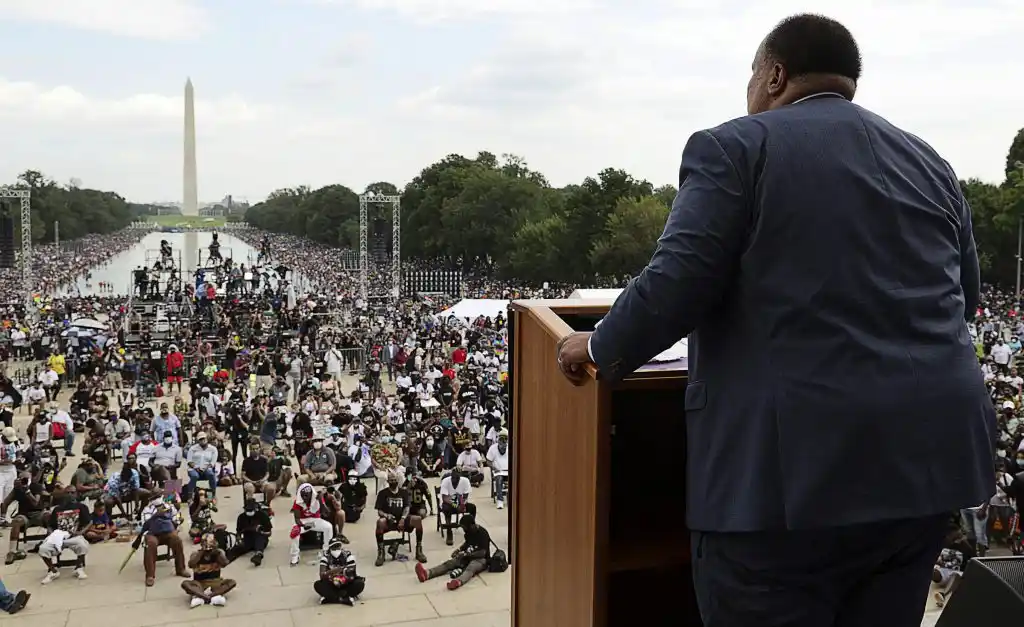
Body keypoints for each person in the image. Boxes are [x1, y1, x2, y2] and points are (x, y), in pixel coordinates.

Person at [555, 13, 995, 627]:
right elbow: (965, 297)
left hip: (785, 487)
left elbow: (677, 281)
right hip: (921, 476)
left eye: (751, 75)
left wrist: (598, 347)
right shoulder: (931, 163)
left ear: (774, 74)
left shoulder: (734, 146)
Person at [414, 513, 490, 591]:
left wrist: (467, 554)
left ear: (471, 525)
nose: (463, 530)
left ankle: (458, 581)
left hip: (481, 559)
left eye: (464, 527)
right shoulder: (468, 532)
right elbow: (467, 543)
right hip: (468, 556)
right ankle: (427, 573)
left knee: (471, 568)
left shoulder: (482, 533)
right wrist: (459, 550)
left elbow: (482, 553)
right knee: (449, 563)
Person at [39, 486, 91, 584]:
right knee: (43, 549)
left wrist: (81, 532)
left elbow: (89, 522)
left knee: (83, 545)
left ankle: (79, 568)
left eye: (72, 492)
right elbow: (51, 525)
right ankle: (53, 571)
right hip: (58, 536)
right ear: (64, 494)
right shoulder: (57, 509)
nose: (70, 495)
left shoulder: (81, 507)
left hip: (73, 536)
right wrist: (50, 533)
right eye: (67, 493)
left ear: (76, 494)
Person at [182, 532, 236, 608]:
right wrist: (202, 553)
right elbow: (191, 564)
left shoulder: (219, 553)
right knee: (185, 583)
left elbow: (225, 563)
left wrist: (217, 552)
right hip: (200, 583)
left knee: (231, 582)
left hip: (215, 582)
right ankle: (206, 596)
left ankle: (207, 596)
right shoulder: (196, 554)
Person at [289, 483, 333, 566]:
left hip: (315, 520)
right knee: (295, 532)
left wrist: (320, 500)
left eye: (307, 495)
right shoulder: (297, 502)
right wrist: (303, 526)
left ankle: (326, 550)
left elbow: (327, 513)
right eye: (303, 496)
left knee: (328, 527)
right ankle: (295, 556)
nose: (305, 498)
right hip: (303, 521)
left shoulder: (317, 498)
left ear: (311, 494)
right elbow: (297, 519)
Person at [314, 537, 365, 606]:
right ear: (330, 548)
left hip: (346, 583)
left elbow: (352, 574)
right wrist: (331, 572)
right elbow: (322, 576)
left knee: (359, 583)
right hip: (331, 583)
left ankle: (331, 598)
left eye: (338, 546)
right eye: (334, 547)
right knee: (318, 585)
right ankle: (344, 598)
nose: (336, 549)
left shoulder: (348, 556)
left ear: (340, 546)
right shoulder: (325, 557)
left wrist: (344, 575)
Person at [227, 499, 272, 566]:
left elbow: (269, 533)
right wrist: (239, 539)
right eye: (247, 510)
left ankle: (258, 556)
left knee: (259, 539)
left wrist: (260, 531)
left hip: (260, 537)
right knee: (238, 548)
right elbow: (238, 531)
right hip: (247, 538)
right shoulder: (241, 517)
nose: (249, 512)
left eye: (251, 510)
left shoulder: (262, 516)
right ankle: (227, 558)